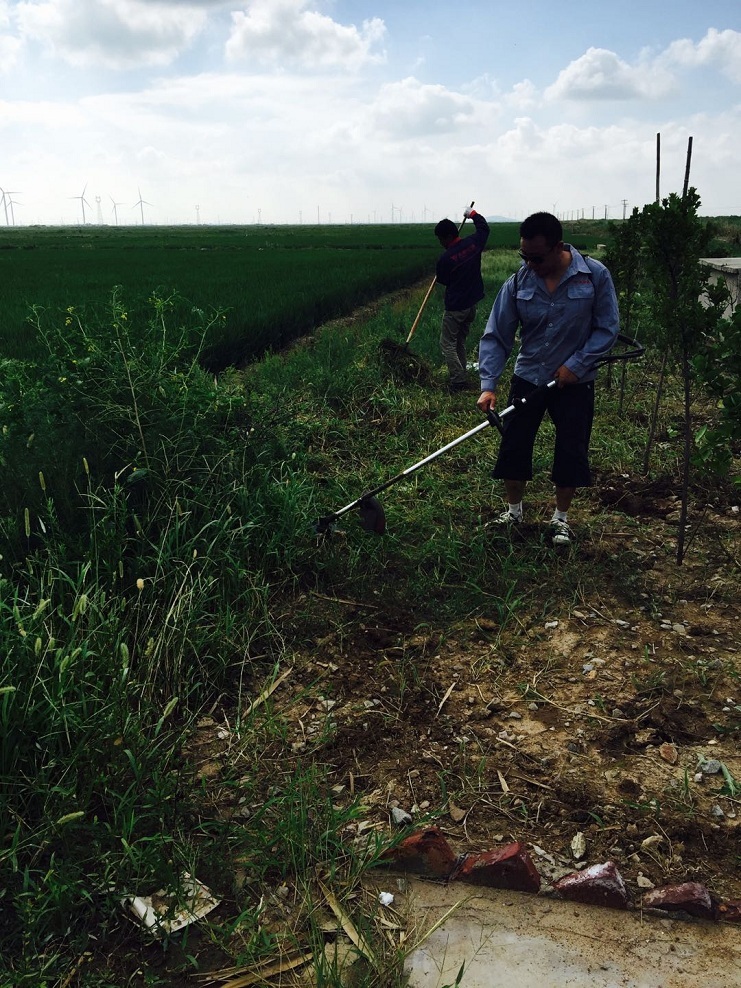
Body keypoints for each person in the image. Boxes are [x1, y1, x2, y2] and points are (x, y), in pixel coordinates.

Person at [476, 211, 619, 546]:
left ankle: (561, 519)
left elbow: (607, 328)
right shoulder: (519, 281)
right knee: (514, 446)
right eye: (524, 256)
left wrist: (577, 365)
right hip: (529, 376)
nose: (530, 264)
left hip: (575, 382)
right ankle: (514, 512)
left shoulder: (593, 276)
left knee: (570, 449)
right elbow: (496, 335)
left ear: (558, 247)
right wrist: (488, 385)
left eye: (537, 258)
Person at [434, 207, 490, 391]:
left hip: (456, 307)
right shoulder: (473, 243)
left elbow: (443, 280)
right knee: (459, 341)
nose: (441, 243)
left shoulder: (445, 259)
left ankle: (458, 381)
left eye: (441, 239)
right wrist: (473, 214)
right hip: (471, 304)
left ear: (449, 236)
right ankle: (462, 372)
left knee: (447, 344)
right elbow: (484, 228)